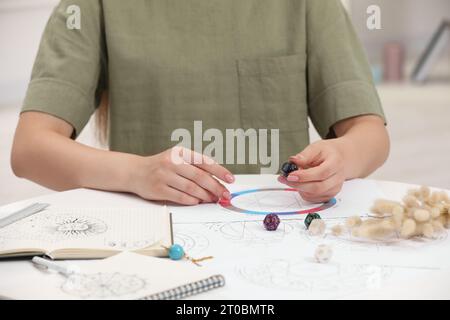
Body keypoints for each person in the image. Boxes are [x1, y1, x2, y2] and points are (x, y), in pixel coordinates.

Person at [11, 0, 389, 205]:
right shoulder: (91, 7)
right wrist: (136, 173)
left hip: (279, 237)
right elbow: (30, 149)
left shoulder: (308, 6)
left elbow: (369, 134)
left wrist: (342, 157)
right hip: (152, 249)